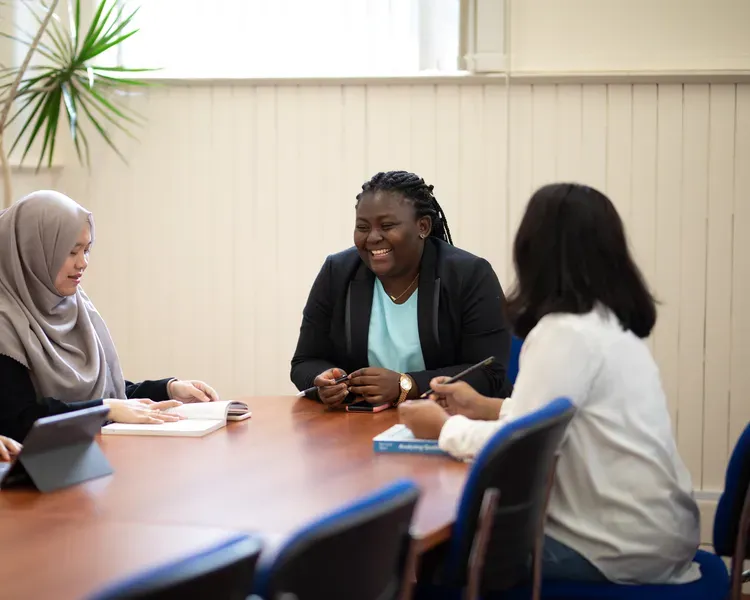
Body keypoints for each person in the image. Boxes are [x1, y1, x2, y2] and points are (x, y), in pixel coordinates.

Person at [399, 183, 701, 585]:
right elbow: (555, 418)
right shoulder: (609, 323)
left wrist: (441, 427)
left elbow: (518, 451)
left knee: (423, 569)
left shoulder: (564, 333)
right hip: (659, 536)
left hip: (615, 549)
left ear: (531, 252)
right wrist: (484, 406)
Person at [0, 190, 220, 443]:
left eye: (87, 250)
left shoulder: (75, 306)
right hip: (32, 474)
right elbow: (18, 420)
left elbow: (100, 390)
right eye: (71, 252)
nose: (82, 263)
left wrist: (167, 389)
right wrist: (104, 409)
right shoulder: (5, 321)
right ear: (32, 251)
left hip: (85, 458)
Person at [290, 171, 512, 408]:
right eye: (363, 227)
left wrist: (407, 385)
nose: (373, 237)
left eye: (387, 226)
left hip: (450, 420)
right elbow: (305, 361)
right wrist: (323, 382)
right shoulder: (338, 272)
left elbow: (489, 371)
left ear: (423, 226)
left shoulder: (469, 274)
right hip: (361, 422)